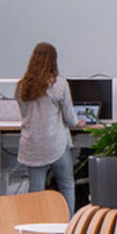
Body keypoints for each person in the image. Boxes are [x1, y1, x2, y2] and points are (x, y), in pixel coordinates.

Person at [16, 42, 78, 213]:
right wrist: (78, 122)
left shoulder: (23, 86)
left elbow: (23, 113)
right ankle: (68, 229)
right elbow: (70, 119)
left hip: (32, 144)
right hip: (54, 144)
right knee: (66, 184)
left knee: (36, 191)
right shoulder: (59, 84)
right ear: (53, 61)